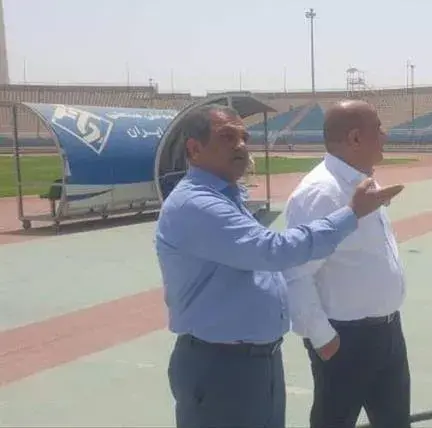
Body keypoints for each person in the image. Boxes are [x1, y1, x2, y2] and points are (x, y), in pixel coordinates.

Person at [154, 104, 406, 428]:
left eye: (244, 137)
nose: (241, 146)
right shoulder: (196, 204)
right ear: (194, 149)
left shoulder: (226, 198)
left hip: (255, 361)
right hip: (221, 365)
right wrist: (351, 215)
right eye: (227, 137)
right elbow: (275, 253)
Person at [283, 100, 411, 428]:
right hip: (345, 340)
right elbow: (296, 273)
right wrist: (323, 337)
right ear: (355, 138)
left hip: (387, 332)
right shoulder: (320, 192)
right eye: (378, 129)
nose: (385, 135)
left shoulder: (364, 182)